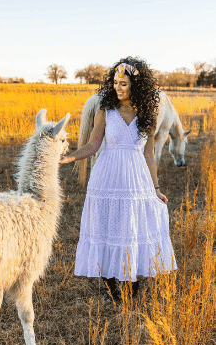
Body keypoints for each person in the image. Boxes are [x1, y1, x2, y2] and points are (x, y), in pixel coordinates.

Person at [59, 57, 176, 303]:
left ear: (136, 85)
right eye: (115, 82)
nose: (118, 88)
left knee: (133, 229)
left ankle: (131, 288)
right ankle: (112, 289)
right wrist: (69, 159)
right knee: (105, 228)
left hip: (136, 179)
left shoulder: (147, 113)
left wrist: (155, 188)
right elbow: (93, 144)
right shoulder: (105, 109)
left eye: (123, 83)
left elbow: (149, 154)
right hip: (107, 177)